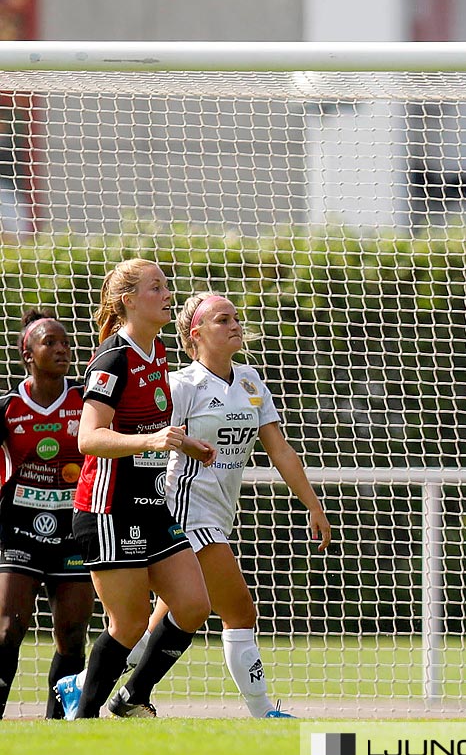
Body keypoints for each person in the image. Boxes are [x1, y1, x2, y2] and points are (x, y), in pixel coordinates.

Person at [123, 293, 330, 718]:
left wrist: (313, 505)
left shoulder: (251, 381)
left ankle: (101, 688)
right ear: (196, 334)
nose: (235, 324)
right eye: (223, 319)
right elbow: (151, 445)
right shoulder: (181, 386)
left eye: (236, 317)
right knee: (239, 611)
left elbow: (280, 450)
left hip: (219, 515)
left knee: (157, 626)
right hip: (186, 512)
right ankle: (262, 712)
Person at [57, 259, 216, 718]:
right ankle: (82, 714)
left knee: (192, 606)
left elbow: (153, 422)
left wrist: (185, 442)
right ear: (129, 300)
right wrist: (151, 440)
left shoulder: (160, 350)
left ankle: (131, 698)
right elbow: (89, 437)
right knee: (126, 624)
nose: (168, 294)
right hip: (107, 509)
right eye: (156, 287)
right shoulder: (112, 358)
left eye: (166, 285)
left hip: (150, 506)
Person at [0, 313, 93, 718]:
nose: (61, 349)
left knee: (72, 635)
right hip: (19, 531)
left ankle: (59, 727)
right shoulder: (7, 408)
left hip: (73, 531)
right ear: (27, 353)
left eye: (65, 343)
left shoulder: (86, 400)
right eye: (50, 343)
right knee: (7, 630)